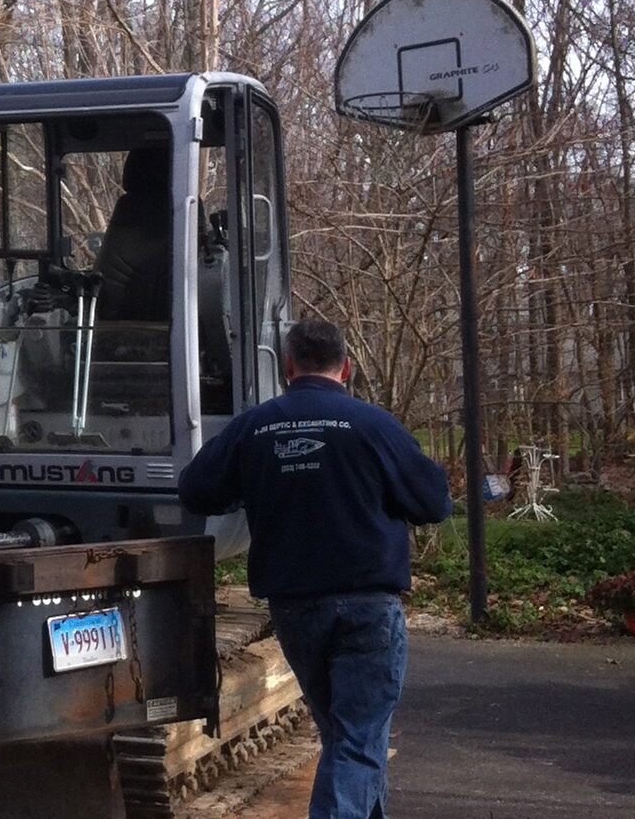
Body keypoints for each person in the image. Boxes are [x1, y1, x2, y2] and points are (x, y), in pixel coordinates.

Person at [178, 318, 452, 819]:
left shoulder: (254, 426)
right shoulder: (373, 425)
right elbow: (433, 502)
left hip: (296, 609)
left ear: (288, 366)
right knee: (357, 740)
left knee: (348, 738)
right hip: (368, 606)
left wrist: (253, 486)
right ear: (346, 367)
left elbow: (196, 489)